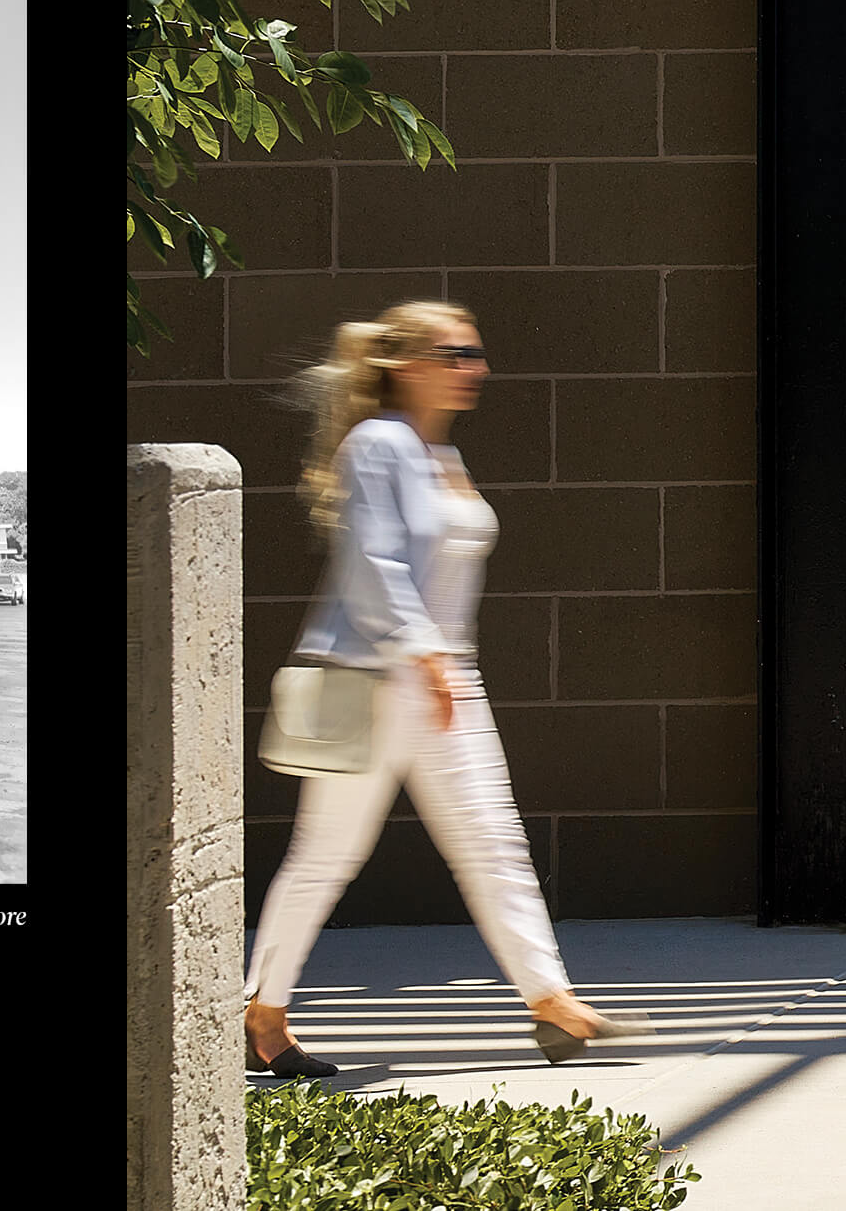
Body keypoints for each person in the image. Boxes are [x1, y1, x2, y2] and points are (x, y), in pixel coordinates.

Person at [242, 301, 646, 1079]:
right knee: (326, 858)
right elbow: (374, 563)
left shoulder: (437, 455)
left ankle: (551, 1001)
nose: (476, 367)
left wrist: (439, 664)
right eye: (457, 353)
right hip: (382, 678)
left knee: (494, 843)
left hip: (445, 677)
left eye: (476, 353)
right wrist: (424, 654)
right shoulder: (379, 445)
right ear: (407, 364)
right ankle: (263, 1011)